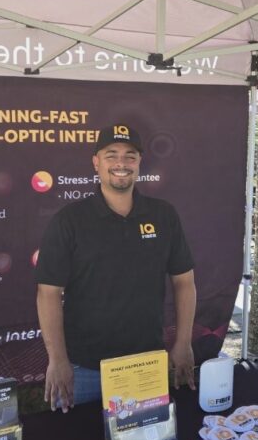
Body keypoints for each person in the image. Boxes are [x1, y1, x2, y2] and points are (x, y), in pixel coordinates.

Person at [34, 124, 197, 412]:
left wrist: (183, 343)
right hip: (84, 368)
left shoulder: (163, 215)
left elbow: (184, 282)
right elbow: (48, 293)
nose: (121, 163)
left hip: (146, 364)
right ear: (96, 162)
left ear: (139, 163)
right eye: (111, 155)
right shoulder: (69, 221)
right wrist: (57, 360)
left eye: (129, 156)